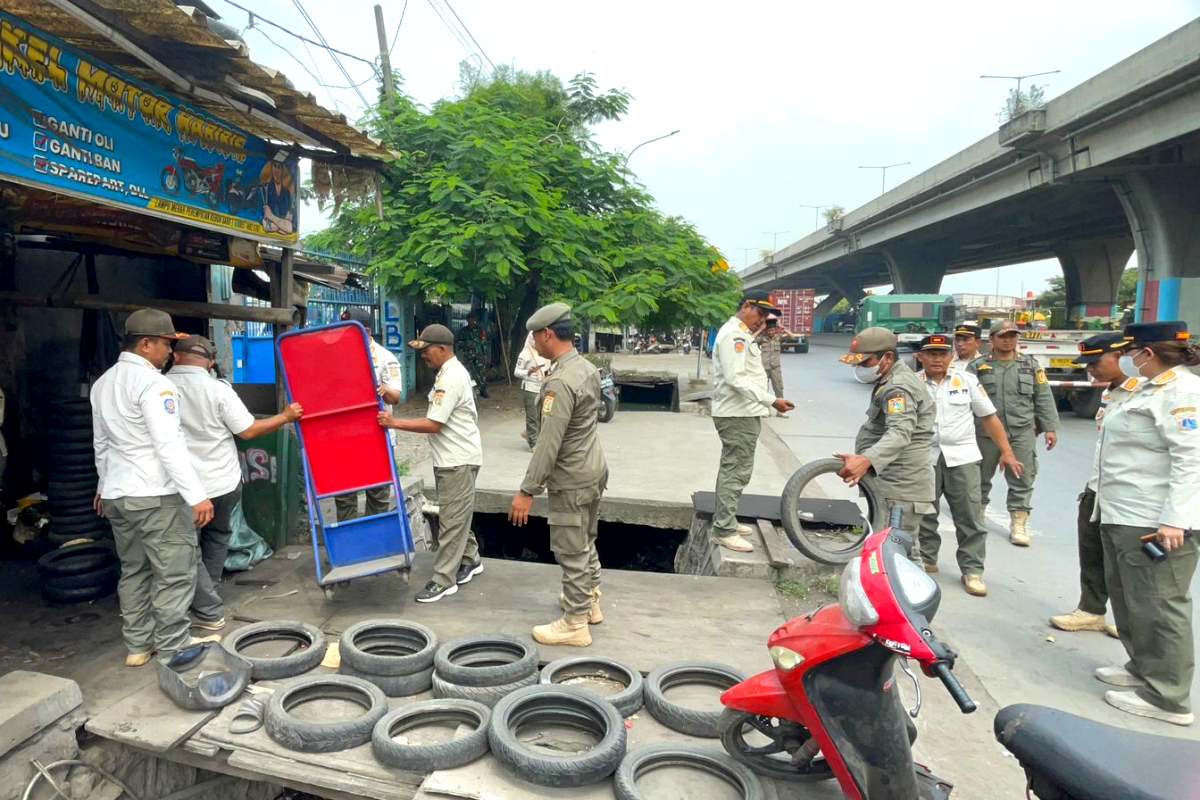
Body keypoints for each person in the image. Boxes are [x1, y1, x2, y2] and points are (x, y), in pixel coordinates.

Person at [91, 309, 217, 667]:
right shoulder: (155, 385)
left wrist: (103, 485)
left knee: (134, 571)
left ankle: (137, 645)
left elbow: (101, 443)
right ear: (145, 344)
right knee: (174, 572)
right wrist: (197, 496)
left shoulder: (102, 384)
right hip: (155, 495)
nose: (169, 353)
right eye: (165, 344)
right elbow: (169, 445)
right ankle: (174, 646)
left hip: (117, 494)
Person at [1091, 321, 1200, 726]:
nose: (1126, 359)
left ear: (1147, 354)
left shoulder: (1183, 392)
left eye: (1131, 351)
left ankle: (1169, 697)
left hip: (1156, 520)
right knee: (1132, 599)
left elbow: (1191, 459)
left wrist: (1176, 520)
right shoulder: (1147, 389)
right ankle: (1142, 669)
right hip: (1123, 513)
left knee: (1161, 605)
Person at [167, 335, 303, 630]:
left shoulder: (160, 386)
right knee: (217, 536)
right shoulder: (218, 390)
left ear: (175, 357)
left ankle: (203, 599)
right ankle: (208, 603)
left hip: (180, 485)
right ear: (210, 362)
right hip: (223, 483)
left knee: (186, 547)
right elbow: (249, 431)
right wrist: (285, 416)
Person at [509, 303, 607, 647]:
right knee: (586, 539)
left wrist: (527, 489)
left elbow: (548, 443)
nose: (533, 341)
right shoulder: (584, 368)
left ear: (547, 334)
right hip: (592, 469)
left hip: (570, 477)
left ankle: (575, 622)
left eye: (535, 335)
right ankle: (590, 601)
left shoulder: (560, 383)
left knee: (570, 550)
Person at [379, 324, 484, 603]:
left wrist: (393, 423)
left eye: (426, 351)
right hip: (452, 458)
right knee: (456, 513)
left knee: (450, 521)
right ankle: (471, 558)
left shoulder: (451, 378)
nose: (423, 356)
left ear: (442, 349)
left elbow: (434, 423)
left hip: (458, 460)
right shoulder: (446, 374)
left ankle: (443, 579)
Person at [914, 334, 1023, 596]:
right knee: (925, 512)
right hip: (923, 457)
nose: (937, 358)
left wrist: (1006, 452)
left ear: (951, 357)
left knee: (970, 515)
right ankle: (927, 560)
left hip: (962, 457)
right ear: (920, 357)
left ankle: (973, 570)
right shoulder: (912, 384)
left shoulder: (967, 381)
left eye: (942, 354)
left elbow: (989, 418)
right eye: (931, 353)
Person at [1049, 333, 1136, 637]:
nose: (1091, 370)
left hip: (1133, 498)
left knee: (1128, 564)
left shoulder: (1148, 394)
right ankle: (1091, 610)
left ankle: (1133, 623)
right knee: (1092, 553)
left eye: (1097, 362)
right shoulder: (1111, 394)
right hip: (1098, 488)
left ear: (1123, 356)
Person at [711, 291, 795, 553]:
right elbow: (736, 379)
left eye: (765, 316)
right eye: (759, 313)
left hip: (743, 412)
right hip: (737, 414)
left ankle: (727, 521)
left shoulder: (742, 334)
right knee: (735, 471)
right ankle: (724, 529)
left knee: (735, 469)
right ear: (745, 306)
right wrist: (771, 400)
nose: (762, 320)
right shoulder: (734, 335)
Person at [835, 327, 936, 541]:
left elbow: (900, 432)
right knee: (888, 548)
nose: (860, 367)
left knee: (895, 552)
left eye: (865, 362)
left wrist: (866, 459)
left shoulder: (898, 388)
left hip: (901, 486)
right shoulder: (890, 380)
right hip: (890, 481)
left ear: (888, 357)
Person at [966, 320, 1059, 546]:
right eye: (1003, 336)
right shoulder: (978, 366)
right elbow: (965, 400)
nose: (1008, 340)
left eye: (1013, 336)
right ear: (992, 339)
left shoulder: (1030, 365)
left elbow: (1043, 396)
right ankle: (976, 520)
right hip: (985, 433)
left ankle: (1018, 523)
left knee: (1022, 478)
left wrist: (1050, 427)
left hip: (1021, 430)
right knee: (979, 479)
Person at [337, 307, 403, 521]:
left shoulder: (385, 357)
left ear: (365, 331)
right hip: (346, 438)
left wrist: (384, 390)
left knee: (378, 494)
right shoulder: (338, 356)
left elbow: (395, 397)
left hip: (377, 437)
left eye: (349, 329)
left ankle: (376, 546)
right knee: (345, 495)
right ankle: (349, 546)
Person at [755, 313, 796, 418]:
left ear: (775, 330)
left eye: (773, 330)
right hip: (764, 368)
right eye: (769, 331)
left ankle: (780, 411)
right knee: (764, 389)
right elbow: (750, 339)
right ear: (766, 331)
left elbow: (793, 336)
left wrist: (783, 328)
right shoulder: (762, 338)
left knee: (778, 389)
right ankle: (765, 410)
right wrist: (760, 329)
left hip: (775, 368)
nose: (771, 332)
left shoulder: (779, 338)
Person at [514, 331, 549, 450]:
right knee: (533, 416)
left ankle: (531, 434)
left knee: (543, 415)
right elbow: (517, 372)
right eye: (533, 339)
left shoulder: (543, 352)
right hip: (530, 388)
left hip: (543, 387)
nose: (536, 341)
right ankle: (533, 444)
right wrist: (528, 372)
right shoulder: (525, 354)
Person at [457, 313, 489, 398]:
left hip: (479, 354)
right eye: (469, 319)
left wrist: (485, 354)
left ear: (474, 320)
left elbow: (484, 342)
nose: (470, 320)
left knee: (481, 372)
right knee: (468, 373)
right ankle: (470, 391)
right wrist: (465, 345)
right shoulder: (463, 331)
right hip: (468, 355)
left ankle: (483, 390)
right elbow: (459, 342)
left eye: (472, 319)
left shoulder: (480, 330)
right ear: (467, 320)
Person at [262, 161, 294, 235]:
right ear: (272, 168)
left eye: (279, 167)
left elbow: (290, 227)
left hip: (281, 233)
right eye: (275, 166)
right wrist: (283, 225)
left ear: (282, 170)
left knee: (289, 227)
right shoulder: (264, 189)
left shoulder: (287, 193)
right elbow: (266, 226)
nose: (276, 169)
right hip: (269, 230)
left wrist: (271, 216)